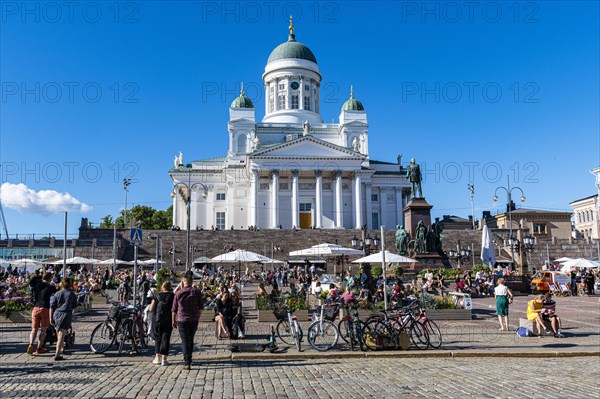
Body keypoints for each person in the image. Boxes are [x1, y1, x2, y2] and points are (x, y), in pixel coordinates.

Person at [172, 276, 203, 370]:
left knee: (185, 341)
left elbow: (174, 309)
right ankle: (190, 359)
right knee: (191, 340)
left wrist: (173, 320)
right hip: (193, 319)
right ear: (191, 282)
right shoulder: (197, 292)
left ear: (183, 282)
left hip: (182, 320)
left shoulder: (178, 293)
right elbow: (201, 307)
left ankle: (187, 362)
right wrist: (198, 316)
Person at [27, 272, 56, 355]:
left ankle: (31, 344)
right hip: (45, 308)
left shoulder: (37, 284)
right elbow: (54, 297)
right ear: (50, 278)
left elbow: (31, 281)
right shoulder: (51, 287)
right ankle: (39, 348)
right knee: (43, 331)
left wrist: (38, 276)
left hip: (35, 308)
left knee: (34, 329)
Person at [49, 278, 78, 361]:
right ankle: (57, 354)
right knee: (62, 334)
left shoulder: (57, 293)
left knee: (59, 333)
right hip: (66, 314)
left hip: (56, 314)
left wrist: (50, 317)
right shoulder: (71, 294)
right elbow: (75, 305)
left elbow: (52, 306)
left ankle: (61, 349)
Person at [149, 281, 175, 366]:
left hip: (157, 320)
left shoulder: (157, 296)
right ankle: (164, 359)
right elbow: (175, 308)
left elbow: (151, 309)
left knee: (158, 338)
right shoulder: (172, 296)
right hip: (168, 320)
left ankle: (157, 358)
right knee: (166, 338)